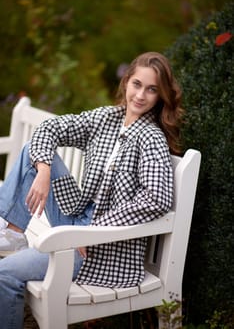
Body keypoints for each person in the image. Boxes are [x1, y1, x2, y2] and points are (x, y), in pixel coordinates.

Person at [0, 52, 183, 328]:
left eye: (152, 89)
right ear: (126, 83)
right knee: (32, 153)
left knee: (4, 274)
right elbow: (50, 128)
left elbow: (156, 198)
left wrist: (93, 231)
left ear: (161, 96)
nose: (141, 95)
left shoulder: (151, 138)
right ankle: (14, 234)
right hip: (74, 218)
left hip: (98, 247)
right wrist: (45, 170)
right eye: (137, 84)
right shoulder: (107, 119)